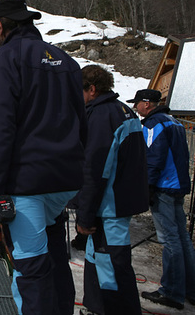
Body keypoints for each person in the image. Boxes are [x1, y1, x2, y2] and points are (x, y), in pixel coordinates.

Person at [0, 0, 87, 314]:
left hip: (28, 182)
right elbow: (81, 121)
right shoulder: (66, 61)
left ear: (1, 26)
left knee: (32, 269)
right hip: (64, 180)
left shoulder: (5, 59)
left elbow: (0, 127)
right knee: (55, 257)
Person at [76, 65, 148, 314]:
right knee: (99, 259)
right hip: (118, 201)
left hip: (109, 207)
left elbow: (95, 169)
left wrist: (85, 215)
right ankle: (98, 306)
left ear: (92, 89)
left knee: (111, 265)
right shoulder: (124, 111)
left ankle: (116, 309)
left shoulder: (101, 116)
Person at [130, 88, 195, 310]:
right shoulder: (174, 122)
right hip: (177, 185)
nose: (136, 108)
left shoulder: (154, 123)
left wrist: (146, 186)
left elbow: (152, 157)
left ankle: (172, 292)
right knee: (182, 238)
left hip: (164, 187)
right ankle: (189, 289)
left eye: (138, 103)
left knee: (170, 240)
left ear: (147, 104)